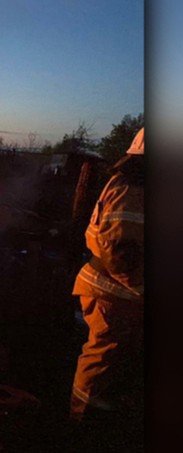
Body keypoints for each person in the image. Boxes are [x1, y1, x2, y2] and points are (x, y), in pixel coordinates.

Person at [70, 128, 144, 423]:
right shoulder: (131, 189)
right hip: (112, 294)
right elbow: (118, 253)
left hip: (118, 294)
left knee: (112, 362)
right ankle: (81, 424)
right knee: (100, 361)